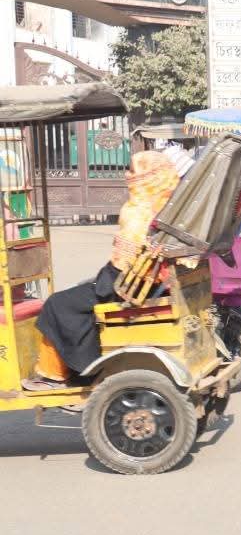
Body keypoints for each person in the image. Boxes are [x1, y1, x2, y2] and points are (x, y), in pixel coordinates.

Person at [22, 151, 181, 391]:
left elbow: (120, 268)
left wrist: (100, 283)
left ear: (144, 176)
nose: (128, 175)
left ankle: (52, 375)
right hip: (152, 284)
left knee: (56, 304)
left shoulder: (139, 209)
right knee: (79, 295)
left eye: (133, 171)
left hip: (128, 288)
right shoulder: (171, 206)